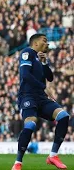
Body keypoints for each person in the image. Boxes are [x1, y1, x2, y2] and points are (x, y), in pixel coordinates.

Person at [11, 34, 69, 170]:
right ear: (35, 43)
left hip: (41, 97)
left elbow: (50, 78)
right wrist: (43, 87)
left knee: (64, 116)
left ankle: (53, 156)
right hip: (28, 96)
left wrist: (44, 63)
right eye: (44, 41)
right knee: (30, 125)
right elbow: (25, 75)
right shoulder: (27, 53)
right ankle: (18, 163)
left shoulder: (40, 58)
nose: (47, 44)